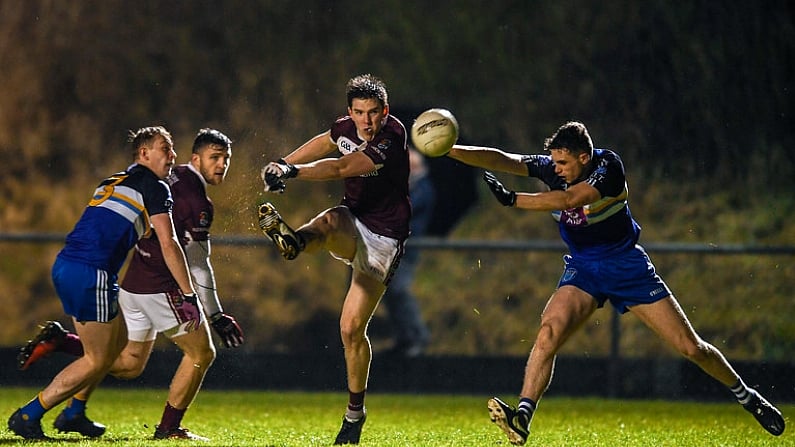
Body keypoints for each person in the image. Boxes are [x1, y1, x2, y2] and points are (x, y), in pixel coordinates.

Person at [445, 121, 785, 445]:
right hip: (584, 269)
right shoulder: (555, 166)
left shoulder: (608, 167)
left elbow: (570, 200)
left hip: (626, 266)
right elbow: (506, 160)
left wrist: (514, 200)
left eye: (563, 162)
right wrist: (450, 149)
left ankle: (747, 396)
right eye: (554, 161)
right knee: (549, 331)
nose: (556, 169)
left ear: (584, 157)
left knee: (690, 347)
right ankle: (522, 417)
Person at [15, 129, 243, 441]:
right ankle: (29, 414)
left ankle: (72, 405)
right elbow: (171, 244)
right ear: (144, 154)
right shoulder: (160, 188)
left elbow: (118, 224)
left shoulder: (114, 180)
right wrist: (193, 298)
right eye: (166, 149)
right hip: (103, 275)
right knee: (110, 359)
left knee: (122, 359)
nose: (171, 156)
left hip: (77, 267)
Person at [258, 73, 410, 445]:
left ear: (385, 111)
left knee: (351, 330)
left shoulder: (392, 135)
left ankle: (354, 415)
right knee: (330, 221)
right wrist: (282, 162)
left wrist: (293, 172)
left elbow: (341, 167)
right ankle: (296, 241)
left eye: (373, 113)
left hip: (385, 240)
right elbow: (326, 142)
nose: (367, 121)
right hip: (353, 220)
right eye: (360, 113)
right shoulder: (345, 126)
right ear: (350, 112)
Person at [381, 147, 433, 357]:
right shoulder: (411, 187)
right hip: (392, 247)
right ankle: (405, 337)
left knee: (399, 290)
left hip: (405, 249)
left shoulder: (423, 189)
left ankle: (417, 335)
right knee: (390, 292)